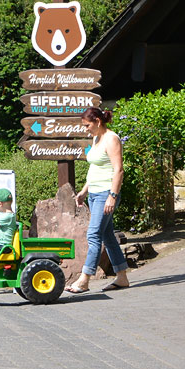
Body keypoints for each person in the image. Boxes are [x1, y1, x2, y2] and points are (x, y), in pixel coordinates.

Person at [65, 107, 130, 294]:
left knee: (93, 235)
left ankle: (84, 279)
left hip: (105, 194)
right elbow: (95, 168)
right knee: (107, 235)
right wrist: (84, 191)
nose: (85, 129)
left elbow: (118, 170)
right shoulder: (96, 138)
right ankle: (122, 277)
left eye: (87, 125)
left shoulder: (112, 139)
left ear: (98, 122)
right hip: (94, 194)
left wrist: (112, 196)